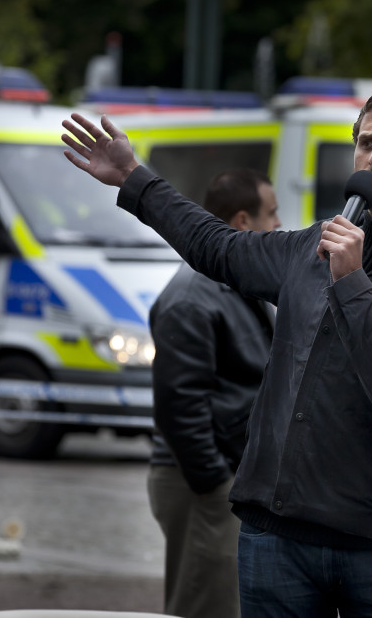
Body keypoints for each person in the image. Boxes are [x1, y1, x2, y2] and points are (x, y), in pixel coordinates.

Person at [62, 82, 372, 616]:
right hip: (277, 539)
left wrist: (353, 283)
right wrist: (135, 180)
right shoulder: (316, 246)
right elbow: (220, 248)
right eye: (366, 143)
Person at [147, 168, 280, 618]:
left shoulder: (242, 284)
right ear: (243, 221)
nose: (279, 225)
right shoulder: (191, 298)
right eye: (273, 213)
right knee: (206, 603)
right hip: (202, 482)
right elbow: (178, 405)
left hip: (224, 479)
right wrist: (213, 483)